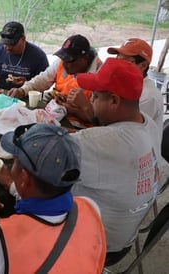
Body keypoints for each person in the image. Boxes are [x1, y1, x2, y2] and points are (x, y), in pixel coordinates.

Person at [0, 123, 106, 274]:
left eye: (14, 162)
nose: (10, 167)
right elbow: (46, 206)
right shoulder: (90, 207)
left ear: (25, 178)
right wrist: (14, 185)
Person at [71, 58, 163, 266]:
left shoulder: (99, 143)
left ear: (114, 100)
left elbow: (37, 154)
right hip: (125, 237)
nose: (92, 102)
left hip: (91, 246)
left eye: (94, 97)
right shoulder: (149, 125)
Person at [8, 34, 102, 127]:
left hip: (78, 127)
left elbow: (98, 120)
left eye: (69, 60)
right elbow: (43, 79)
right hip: (56, 114)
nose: (64, 65)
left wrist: (76, 108)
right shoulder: (62, 63)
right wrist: (22, 90)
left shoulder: (101, 75)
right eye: (63, 58)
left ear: (85, 58)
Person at [0, 21, 49, 90]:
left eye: (12, 44)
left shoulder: (38, 56)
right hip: (1, 94)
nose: (7, 47)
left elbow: (45, 84)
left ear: (23, 38)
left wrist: (26, 84)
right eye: (5, 43)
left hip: (27, 96)